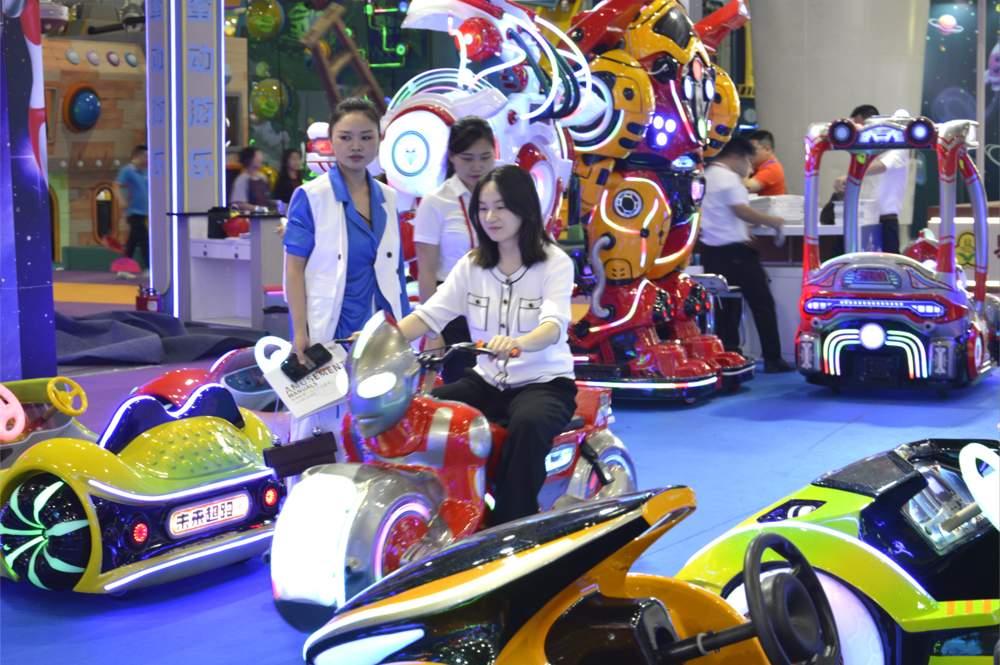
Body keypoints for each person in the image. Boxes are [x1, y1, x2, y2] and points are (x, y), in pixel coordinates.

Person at [396, 165, 577, 524]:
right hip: (487, 380)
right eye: (482, 208)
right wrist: (383, 336)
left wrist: (519, 343)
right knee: (424, 410)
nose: (490, 217)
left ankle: (511, 523)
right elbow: (430, 314)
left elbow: (554, 325)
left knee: (528, 424)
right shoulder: (472, 264)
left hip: (545, 383)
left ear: (524, 209)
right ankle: (443, 508)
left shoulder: (555, 262)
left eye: (501, 207)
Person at [284, 97, 410, 441]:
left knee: (377, 422)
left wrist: (407, 327)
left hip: (379, 328)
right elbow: (293, 270)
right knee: (318, 429)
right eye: (346, 137)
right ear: (331, 141)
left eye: (366, 137)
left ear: (380, 140)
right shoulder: (311, 196)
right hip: (329, 325)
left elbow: (395, 270)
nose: (356, 146)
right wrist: (299, 332)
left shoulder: (389, 197)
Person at [412, 116, 497, 382]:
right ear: (451, 157)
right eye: (467, 158)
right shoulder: (436, 202)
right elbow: (425, 272)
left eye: (485, 157)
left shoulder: (504, 195)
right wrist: (432, 329)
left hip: (498, 305)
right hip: (454, 309)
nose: (477, 166)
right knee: (465, 389)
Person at [698, 137, 793, 373]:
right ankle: (772, 357)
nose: (748, 167)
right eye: (748, 160)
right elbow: (741, 210)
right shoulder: (729, 179)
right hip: (736, 253)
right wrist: (772, 221)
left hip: (710, 252)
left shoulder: (706, 175)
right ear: (737, 156)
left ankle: (729, 355)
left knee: (725, 307)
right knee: (762, 304)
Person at [833, 104, 909, 253]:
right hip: (865, 219)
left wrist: (849, 176)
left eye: (858, 125)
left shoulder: (899, 146)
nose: (857, 131)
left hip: (886, 220)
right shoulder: (868, 150)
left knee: (888, 268)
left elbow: (880, 166)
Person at [114, 144, 149, 268]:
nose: (147, 159)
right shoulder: (127, 170)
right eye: (145, 156)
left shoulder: (145, 172)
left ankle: (123, 268)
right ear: (138, 156)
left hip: (144, 212)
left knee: (132, 242)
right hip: (134, 212)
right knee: (145, 240)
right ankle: (149, 268)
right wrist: (121, 200)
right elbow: (116, 186)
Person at [744, 130, 786, 196]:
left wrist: (744, 164)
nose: (749, 153)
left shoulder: (772, 169)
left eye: (752, 150)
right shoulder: (758, 166)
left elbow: (745, 188)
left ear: (767, 149)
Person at [231, 146, 272, 211]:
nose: (261, 159)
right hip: (249, 218)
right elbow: (239, 203)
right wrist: (257, 209)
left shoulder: (263, 177)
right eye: (257, 156)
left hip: (266, 218)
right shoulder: (242, 179)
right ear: (249, 159)